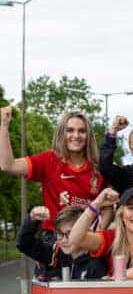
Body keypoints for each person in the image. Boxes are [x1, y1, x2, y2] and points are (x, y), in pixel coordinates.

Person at [0, 107, 107, 278]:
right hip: (55, 242)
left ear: (88, 136)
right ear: (61, 134)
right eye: (70, 130)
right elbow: (8, 165)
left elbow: (108, 206)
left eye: (82, 131)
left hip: (86, 243)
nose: (76, 135)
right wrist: (4, 125)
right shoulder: (50, 160)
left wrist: (102, 228)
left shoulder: (99, 169)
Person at [68, 187, 133, 279]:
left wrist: (113, 279)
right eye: (131, 208)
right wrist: (96, 203)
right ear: (121, 213)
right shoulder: (112, 236)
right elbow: (75, 240)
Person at [16, 205, 107, 280]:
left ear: (84, 231)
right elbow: (24, 244)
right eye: (59, 234)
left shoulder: (96, 263)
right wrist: (32, 219)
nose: (63, 240)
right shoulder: (55, 254)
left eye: (69, 233)